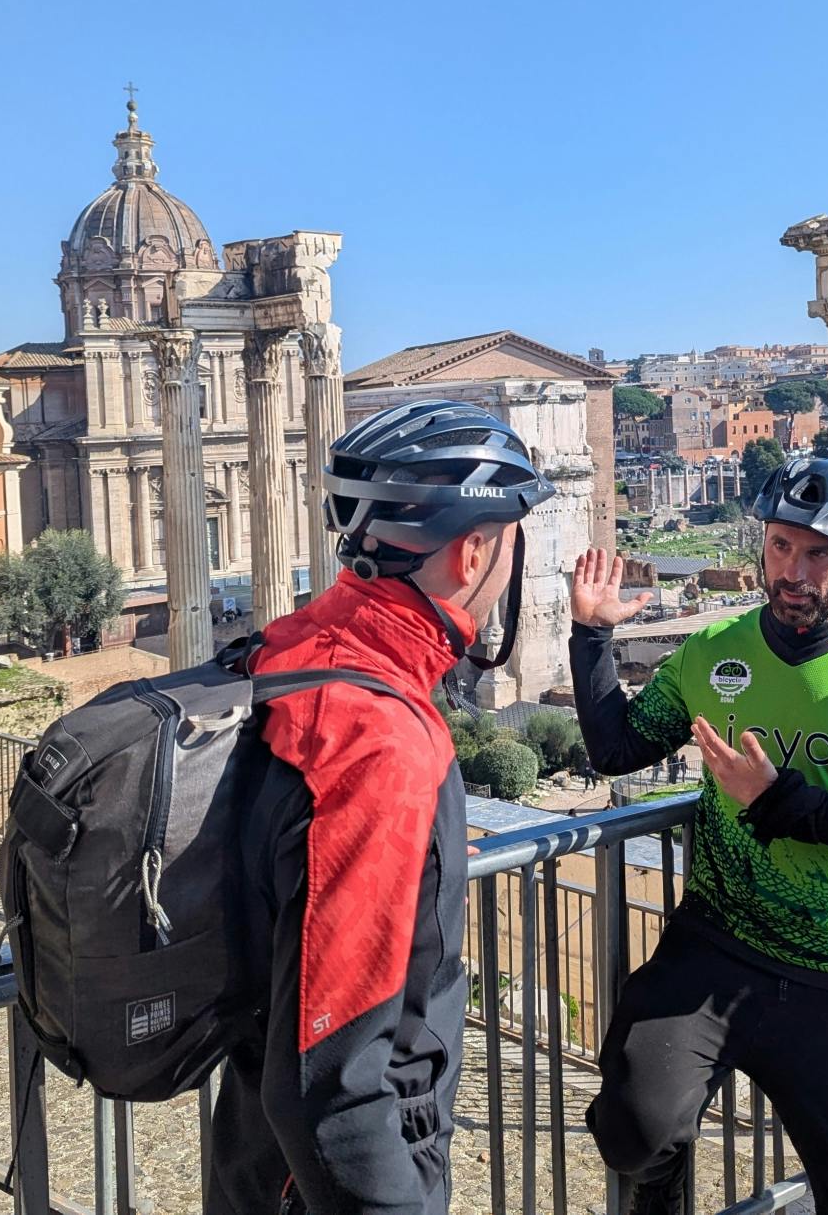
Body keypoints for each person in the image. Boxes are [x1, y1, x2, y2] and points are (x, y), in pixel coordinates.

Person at [571, 457, 828, 1215]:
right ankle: (663, 1188)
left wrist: (778, 800)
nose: (793, 571)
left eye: (818, 554)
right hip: (719, 941)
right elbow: (619, 749)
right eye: (780, 546)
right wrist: (590, 637)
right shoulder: (713, 653)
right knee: (632, 1131)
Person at [205, 399, 554, 1215]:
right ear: (473, 552)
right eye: (509, 544)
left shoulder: (291, 647)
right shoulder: (377, 738)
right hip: (343, 1175)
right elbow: (334, 1083)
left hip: (254, 1147)